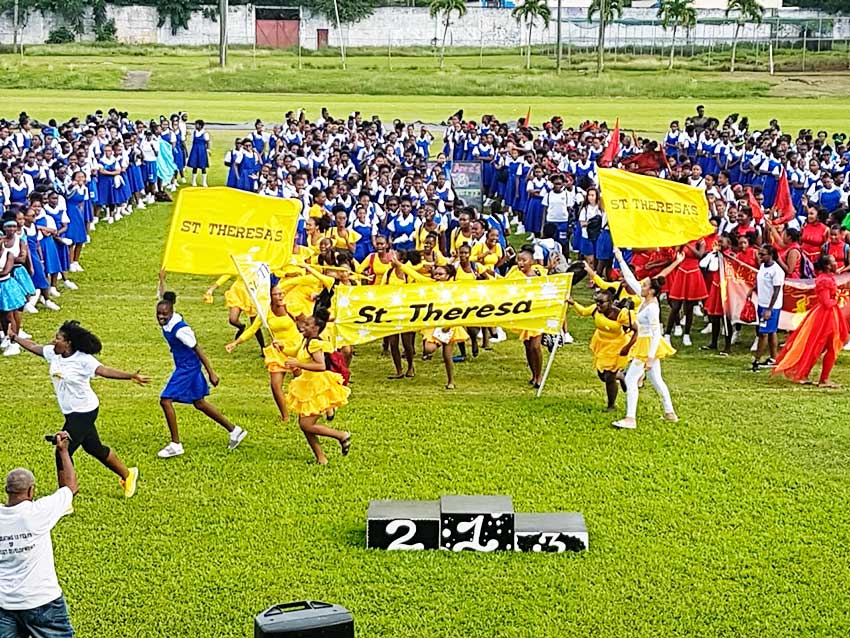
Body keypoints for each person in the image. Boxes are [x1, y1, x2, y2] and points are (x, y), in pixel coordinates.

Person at [11, 321, 146, 497]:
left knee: (62, 450)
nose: (53, 341)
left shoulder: (83, 360)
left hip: (84, 411)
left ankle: (64, 498)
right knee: (94, 448)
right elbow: (34, 347)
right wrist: (15, 337)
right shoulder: (54, 353)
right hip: (71, 412)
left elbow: (104, 370)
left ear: (69, 343)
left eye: (58, 338)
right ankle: (128, 475)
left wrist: (130, 376)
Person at [0, 432, 78, 638]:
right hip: (43, 602)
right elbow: (70, 488)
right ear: (31, 491)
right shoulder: (38, 513)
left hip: (3, 604)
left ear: (7, 490)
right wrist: (63, 451)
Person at [155, 291, 247, 459]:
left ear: (172, 312)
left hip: (187, 368)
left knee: (165, 400)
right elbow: (162, 296)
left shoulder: (181, 330)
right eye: (158, 314)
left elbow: (198, 350)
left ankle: (175, 444)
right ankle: (235, 431)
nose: (161, 317)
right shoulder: (168, 313)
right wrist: (162, 278)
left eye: (164, 315)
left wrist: (211, 372)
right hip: (185, 365)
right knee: (200, 403)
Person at [611, 247, 680, 429]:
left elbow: (656, 332)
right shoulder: (645, 300)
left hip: (647, 345)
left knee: (631, 380)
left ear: (651, 291)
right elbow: (632, 279)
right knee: (656, 380)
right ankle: (669, 412)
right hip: (646, 344)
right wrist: (619, 257)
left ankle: (630, 418)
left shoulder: (652, 308)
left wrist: (650, 357)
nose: (641, 286)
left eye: (644, 286)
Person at [284, 310, 351, 465]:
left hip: (316, 387)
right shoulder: (305, 341)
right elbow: (294, 353)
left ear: (315, 329)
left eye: (307, 325)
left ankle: (341, 435)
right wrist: (281, 347)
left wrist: (298, 364)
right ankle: (321, 458)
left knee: (306, 424)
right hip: (306, 386)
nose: (303, 326)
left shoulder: (314, 343)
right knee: (305, 426)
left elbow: (321, 365)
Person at [773, 254, 848, 387]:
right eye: (834, 261)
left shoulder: (826, 278)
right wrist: (837, 300)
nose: (837, 263)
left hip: (826, 314)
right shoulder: (825, 280)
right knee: (828, 346)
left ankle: (809, 375)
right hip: (827, 315)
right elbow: (826, 301)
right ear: (828, 266)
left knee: (820, 346)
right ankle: (822, 379)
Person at [567, 289, 634, 412]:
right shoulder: (595, 309)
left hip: (617, 346)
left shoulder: (620, 314)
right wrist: (573, 303)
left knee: (609, 377)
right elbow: (583, 312)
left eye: (601, 302)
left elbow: (636, 330)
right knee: (602, 376)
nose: (598, 305)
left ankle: (611, 405)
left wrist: (628, 347)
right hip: (602, 343)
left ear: (611, 302)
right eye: (596, 301)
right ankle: (620, 376)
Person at [751, 244, 785, 372]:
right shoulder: (763, 266)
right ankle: (773, 358)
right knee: (771, 332)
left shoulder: (776, 271)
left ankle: (757, 360)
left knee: (763, 333)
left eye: (762, 254)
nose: (760, 257)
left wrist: (769, 309)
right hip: (762, 304)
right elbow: (761, 281)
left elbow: (776, 291)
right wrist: (752, 289)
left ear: (770, 255)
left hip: (771, 306)